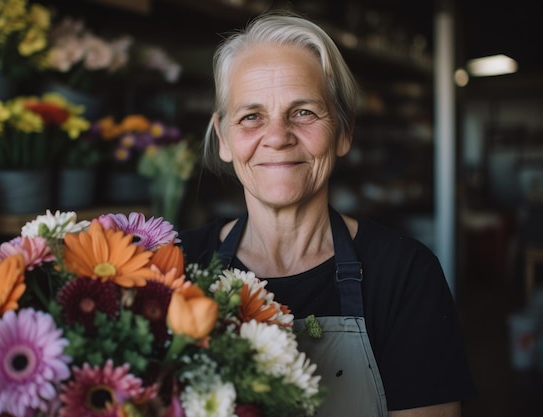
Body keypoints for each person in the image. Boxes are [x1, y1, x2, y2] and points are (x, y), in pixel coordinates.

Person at [178, 10, 477, 417]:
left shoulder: (405, 274)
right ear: (224, 138)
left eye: (303, 112)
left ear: (343, 131)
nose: (278, 137)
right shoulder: (176, 267)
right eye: (252, 117)